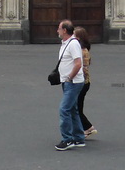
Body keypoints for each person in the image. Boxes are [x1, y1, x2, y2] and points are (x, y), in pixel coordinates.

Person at [54, 19, 86, 151]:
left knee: (64, 109)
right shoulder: (66, 43)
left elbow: (78, 63)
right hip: (68, 81)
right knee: (73, 109)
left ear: (65, 30)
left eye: (59, 28)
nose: (57, 31)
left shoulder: (73, 44)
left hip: (73, 82)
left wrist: (69, 78)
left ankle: (67, 140)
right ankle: (78, 138)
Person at [74, 26, 97, 137]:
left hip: (82, 82)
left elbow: (83, 68)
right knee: (77, 106)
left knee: (76, 107)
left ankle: (87, 128)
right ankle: (86, 128)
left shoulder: (83, 51)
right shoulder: (81, 50)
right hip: (84, 82)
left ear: (78, 38)